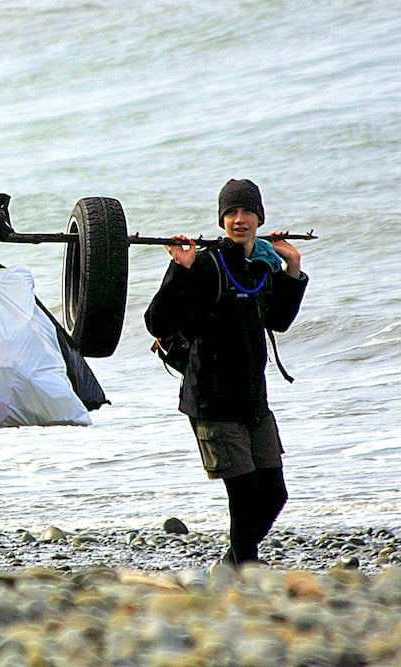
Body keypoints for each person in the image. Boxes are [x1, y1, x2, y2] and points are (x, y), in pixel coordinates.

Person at [144, 178, 308, 569]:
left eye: (247, 211)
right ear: (221, 220)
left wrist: (293, 269)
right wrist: (179, 270)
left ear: (259, 217)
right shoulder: (205, 264)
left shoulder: (262, 266)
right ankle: (247, 570)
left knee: (273, 493)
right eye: (231, 213)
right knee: (244, 492)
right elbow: (156, 321)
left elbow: (280, 321)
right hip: (212, 399)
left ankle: (233, 563)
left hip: (253, 399)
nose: (239, 219)